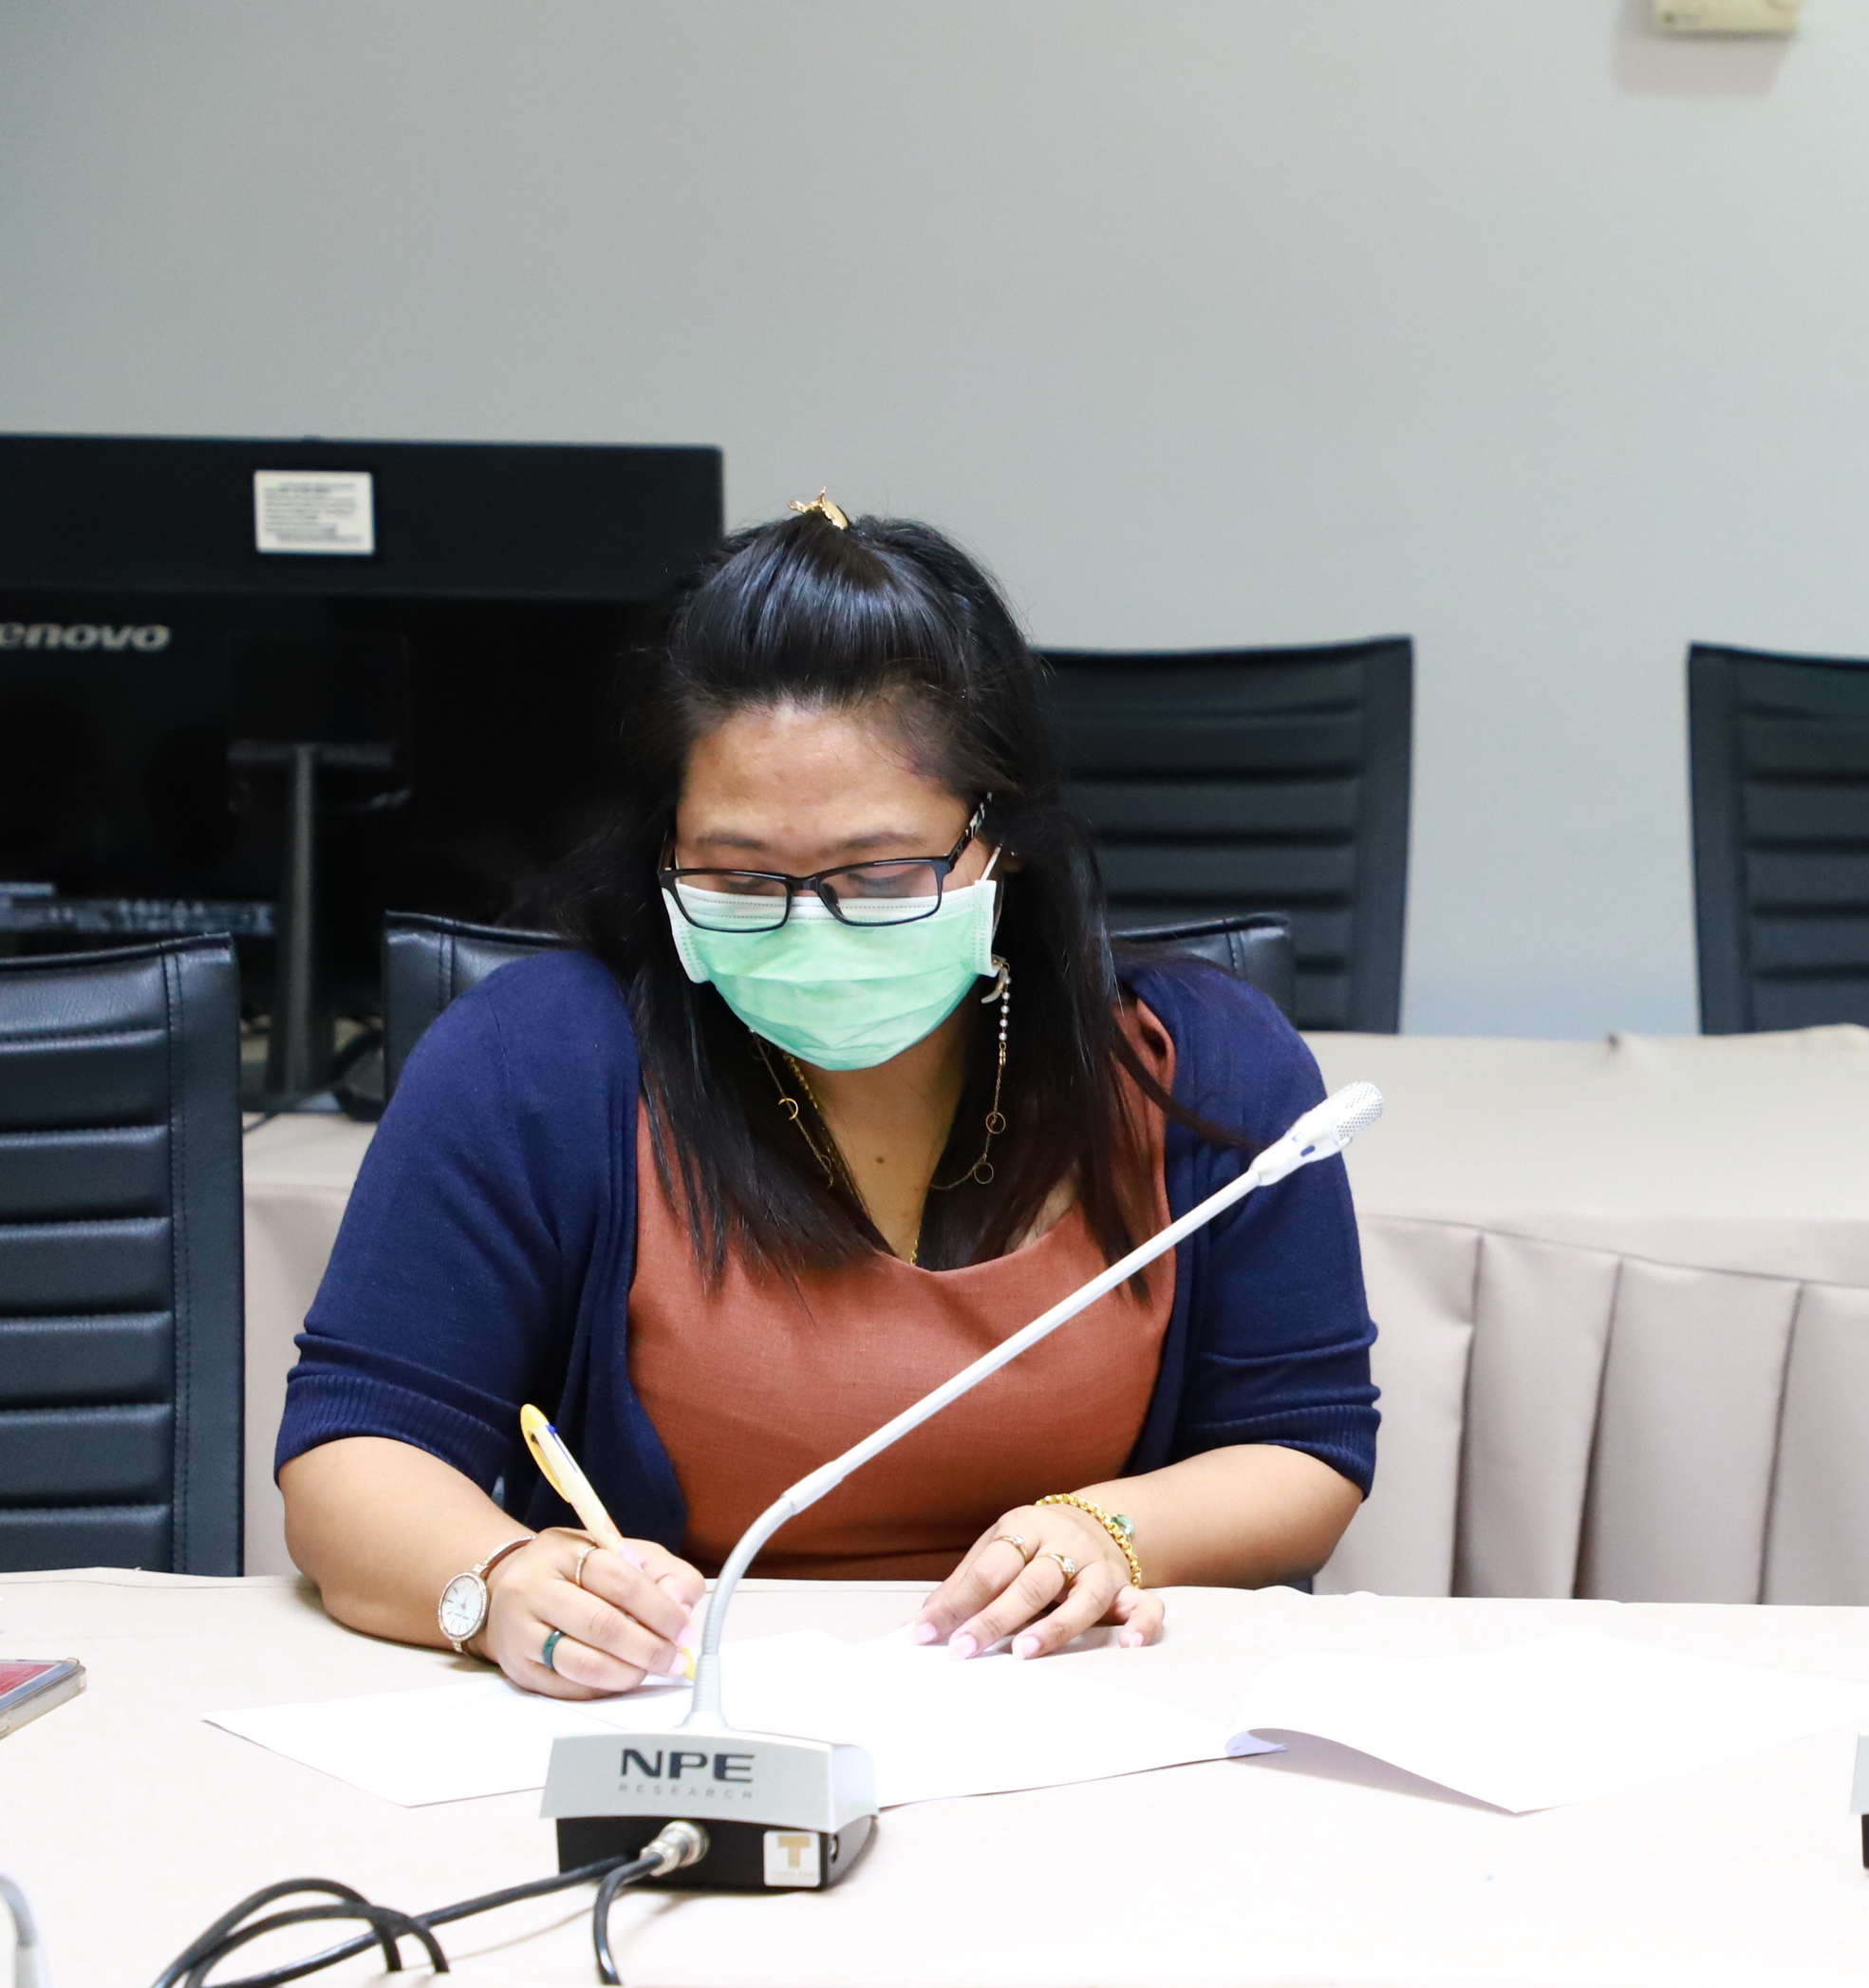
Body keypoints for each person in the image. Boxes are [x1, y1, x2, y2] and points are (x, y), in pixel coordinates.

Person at [280, 501, 1377, 1697]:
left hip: (1071, 1713)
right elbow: (354, 1452)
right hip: (678, 1713)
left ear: (1002, 839)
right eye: (739, 878)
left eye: (879, 874)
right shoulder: (531, 1062)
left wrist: (1112, 1531)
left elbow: (1302, 1447)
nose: (810, 926)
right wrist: (495, 1580)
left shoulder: (1204, 1065)